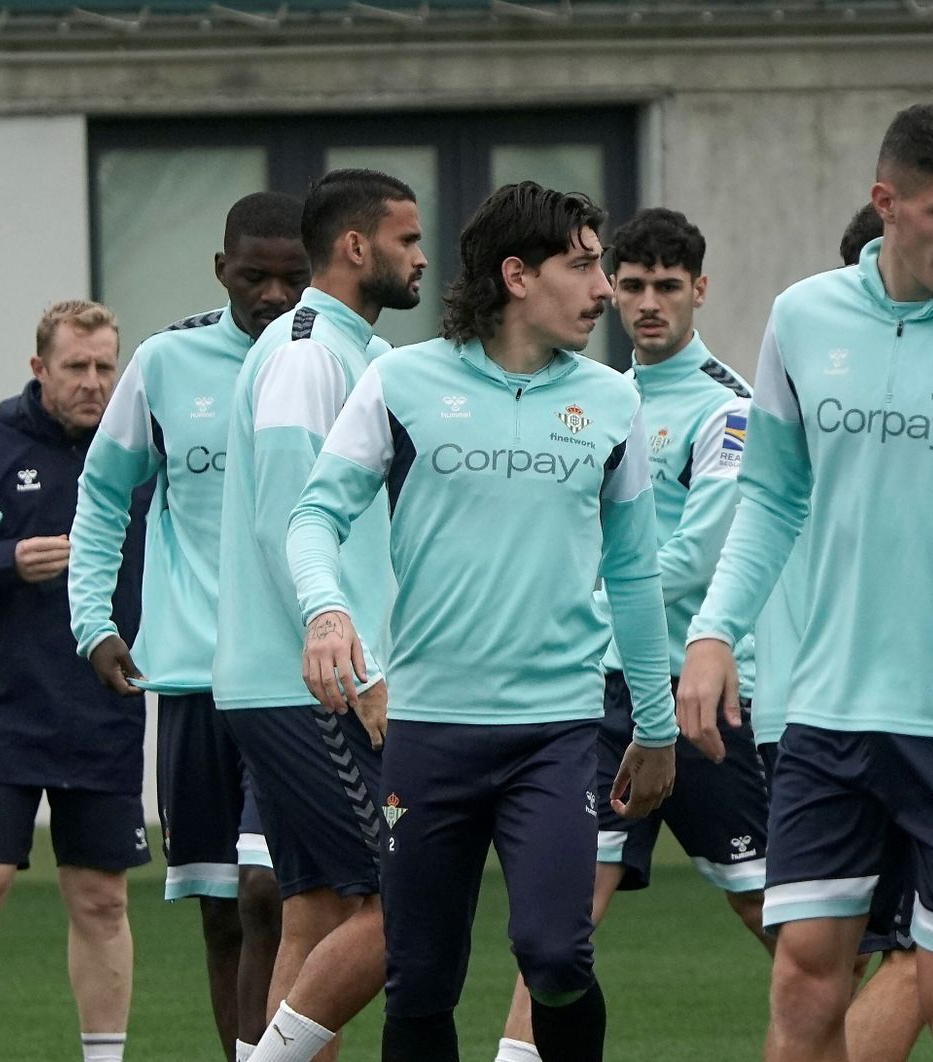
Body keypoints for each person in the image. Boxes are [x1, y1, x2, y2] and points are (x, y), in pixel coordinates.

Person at [678, 103, 933, 1062]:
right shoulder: (804, 318)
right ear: (884, 203)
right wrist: (714, 631)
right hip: (829, 711)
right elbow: (768, 495)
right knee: (804, 973)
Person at [286, 180, 677, 1062]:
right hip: (429, 730)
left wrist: (654, 724)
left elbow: (635, 571)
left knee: (556, 955)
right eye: (582, 266)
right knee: (419, 979)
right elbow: (313, 517)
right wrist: (326, 612)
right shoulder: (401, 382)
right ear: (516, 276)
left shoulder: (614, 403)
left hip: (559, 734)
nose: (605, 290)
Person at [491, 205, 771, 1062]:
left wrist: (580, 609)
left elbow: (700, 554)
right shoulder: (596, 394)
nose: (648, 303)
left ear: (700, 291)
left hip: (698, 692)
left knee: (777, 915)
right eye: (635, 284)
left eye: (668, 286)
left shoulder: (729, 408)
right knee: (566, 910)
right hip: (599, 692)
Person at [69, 191, 308, 1062]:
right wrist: (93, 620)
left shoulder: (348, 363)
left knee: (269, 891)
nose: (275, 295)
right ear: (222, 271)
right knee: (221, 911)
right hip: (197, 681)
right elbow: (102, 493)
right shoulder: (167, 363)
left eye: (294, 277)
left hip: (300, 678)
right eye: (256, 276)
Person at [213, 169, 425, 1062]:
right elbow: (286, 520)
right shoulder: (308, 351)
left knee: (315, 913)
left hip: (291, 682)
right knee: (399, 904)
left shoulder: (352, 352)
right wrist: (357, 665)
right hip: (315, 683)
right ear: (355, 247)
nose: (421, 258)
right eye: (407, 241)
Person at [0, 301, 147, 1062]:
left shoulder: (137, 461)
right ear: (39, 370)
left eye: (106, 367)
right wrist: (6, 562)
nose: (94, 384)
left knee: (101, 900)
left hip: (103, 711)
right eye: (77, 368)